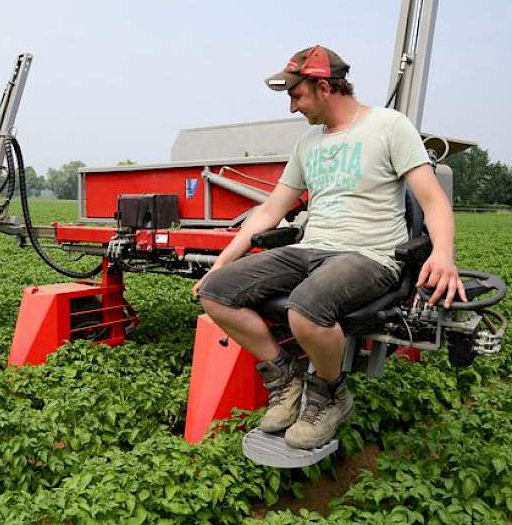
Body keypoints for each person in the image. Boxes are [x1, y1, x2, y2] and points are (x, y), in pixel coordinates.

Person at [193, 45, 466, 450]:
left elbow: (432, 199)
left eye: (296, 95)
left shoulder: (389, 126)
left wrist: (442, 253)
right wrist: (220, 264)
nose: (291, 107)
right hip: (311, 249)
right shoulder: (308, 143)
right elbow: (270, 210)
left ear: (323, 87)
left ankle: (329, 392)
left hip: (370, 255)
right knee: (216, 294)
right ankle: (287, 380)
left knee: (306, 308)